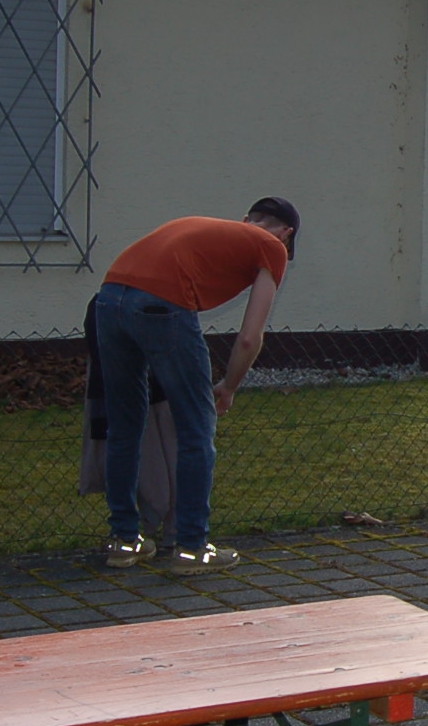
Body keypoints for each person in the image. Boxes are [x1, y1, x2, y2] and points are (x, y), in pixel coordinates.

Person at [95, 197, 298, 576]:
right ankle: (191, 547)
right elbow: (250, 338)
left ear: (246, 219)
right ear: (286, 234)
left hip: (108, 300)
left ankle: (124, 541)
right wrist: (228, 386)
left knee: (124, 426)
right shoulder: (272, 247)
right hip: (163, 306)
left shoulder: (205, 227)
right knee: (196, 428)